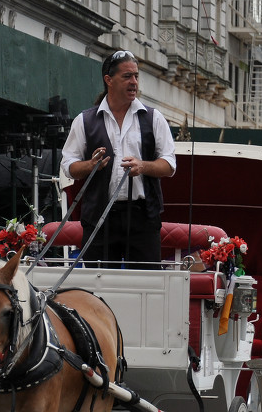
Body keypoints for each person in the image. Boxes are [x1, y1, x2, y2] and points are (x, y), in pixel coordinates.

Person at [60, 49, 177, 268]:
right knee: (99, 285)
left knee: (144, 286)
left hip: (143, 217)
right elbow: (68, 166)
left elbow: (169, 164)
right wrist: (91, 165)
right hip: (100, 218)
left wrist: (142, 166)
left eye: (136, 76)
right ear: (108, 80)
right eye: (127, 76)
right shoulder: (84, 120)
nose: (134, 82)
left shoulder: (154, 118)